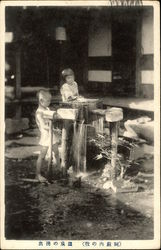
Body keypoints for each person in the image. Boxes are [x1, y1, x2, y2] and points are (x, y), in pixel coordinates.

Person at [35, 89, 61, 182]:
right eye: (48, 101)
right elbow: (43, 126)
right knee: (42, 155)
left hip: (51, 134)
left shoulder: (47, 109)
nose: (49, 102)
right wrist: (54, 128)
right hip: (46, 135)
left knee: (56, 152)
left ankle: (59, 169)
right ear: (41, 101)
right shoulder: (39, 112)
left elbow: (52, 118)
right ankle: (38, 174)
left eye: (50, 100)